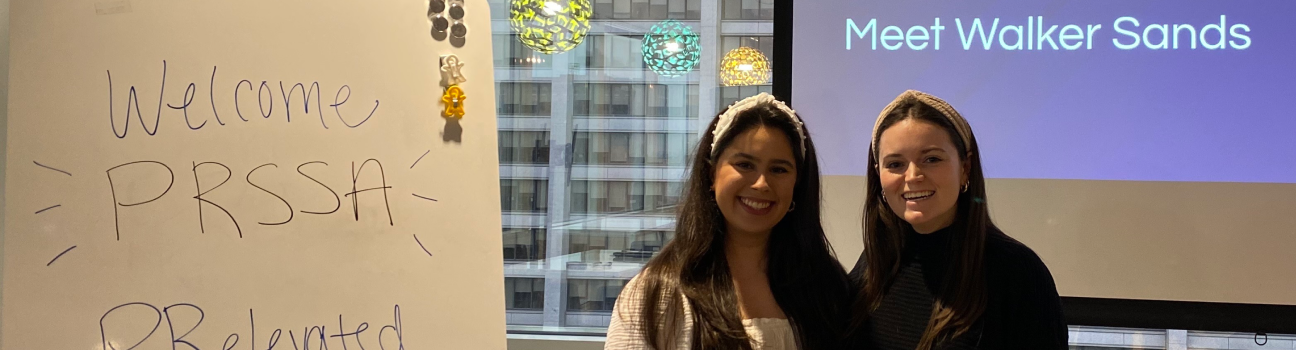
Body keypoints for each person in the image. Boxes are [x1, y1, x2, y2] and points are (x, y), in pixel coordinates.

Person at [605, 93, 853, 350]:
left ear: (797, 184)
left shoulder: (827, 287)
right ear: (712, 174)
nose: (761, 184)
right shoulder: (657, 294)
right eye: (745, 165)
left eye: (778, 169)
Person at [849, 90, 1067, 349]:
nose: (912, 176)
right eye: (895, 164)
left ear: (965, 168)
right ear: (878, 175)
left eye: (931, 159)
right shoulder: (875, 263)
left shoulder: (1017, 273)